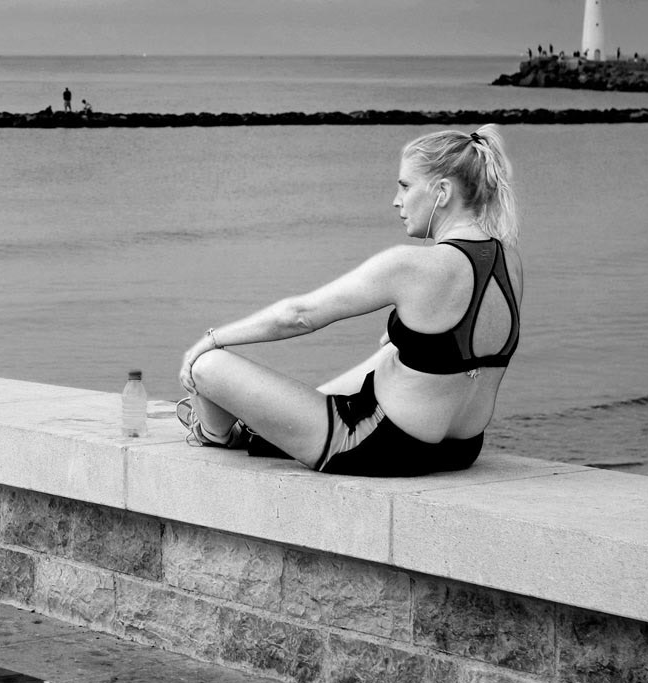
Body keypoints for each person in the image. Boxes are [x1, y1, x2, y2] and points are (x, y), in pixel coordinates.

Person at [177, 125, 523, 478]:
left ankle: (215, 434)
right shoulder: (507, 258)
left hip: (380, 446)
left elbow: (298, 316)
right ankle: (270, 425)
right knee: (397, 347)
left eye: (405, 186)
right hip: (461, 448)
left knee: (207, 367)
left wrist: (212, 338)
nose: (397, 200)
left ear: (442, 192)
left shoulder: (411, 264)